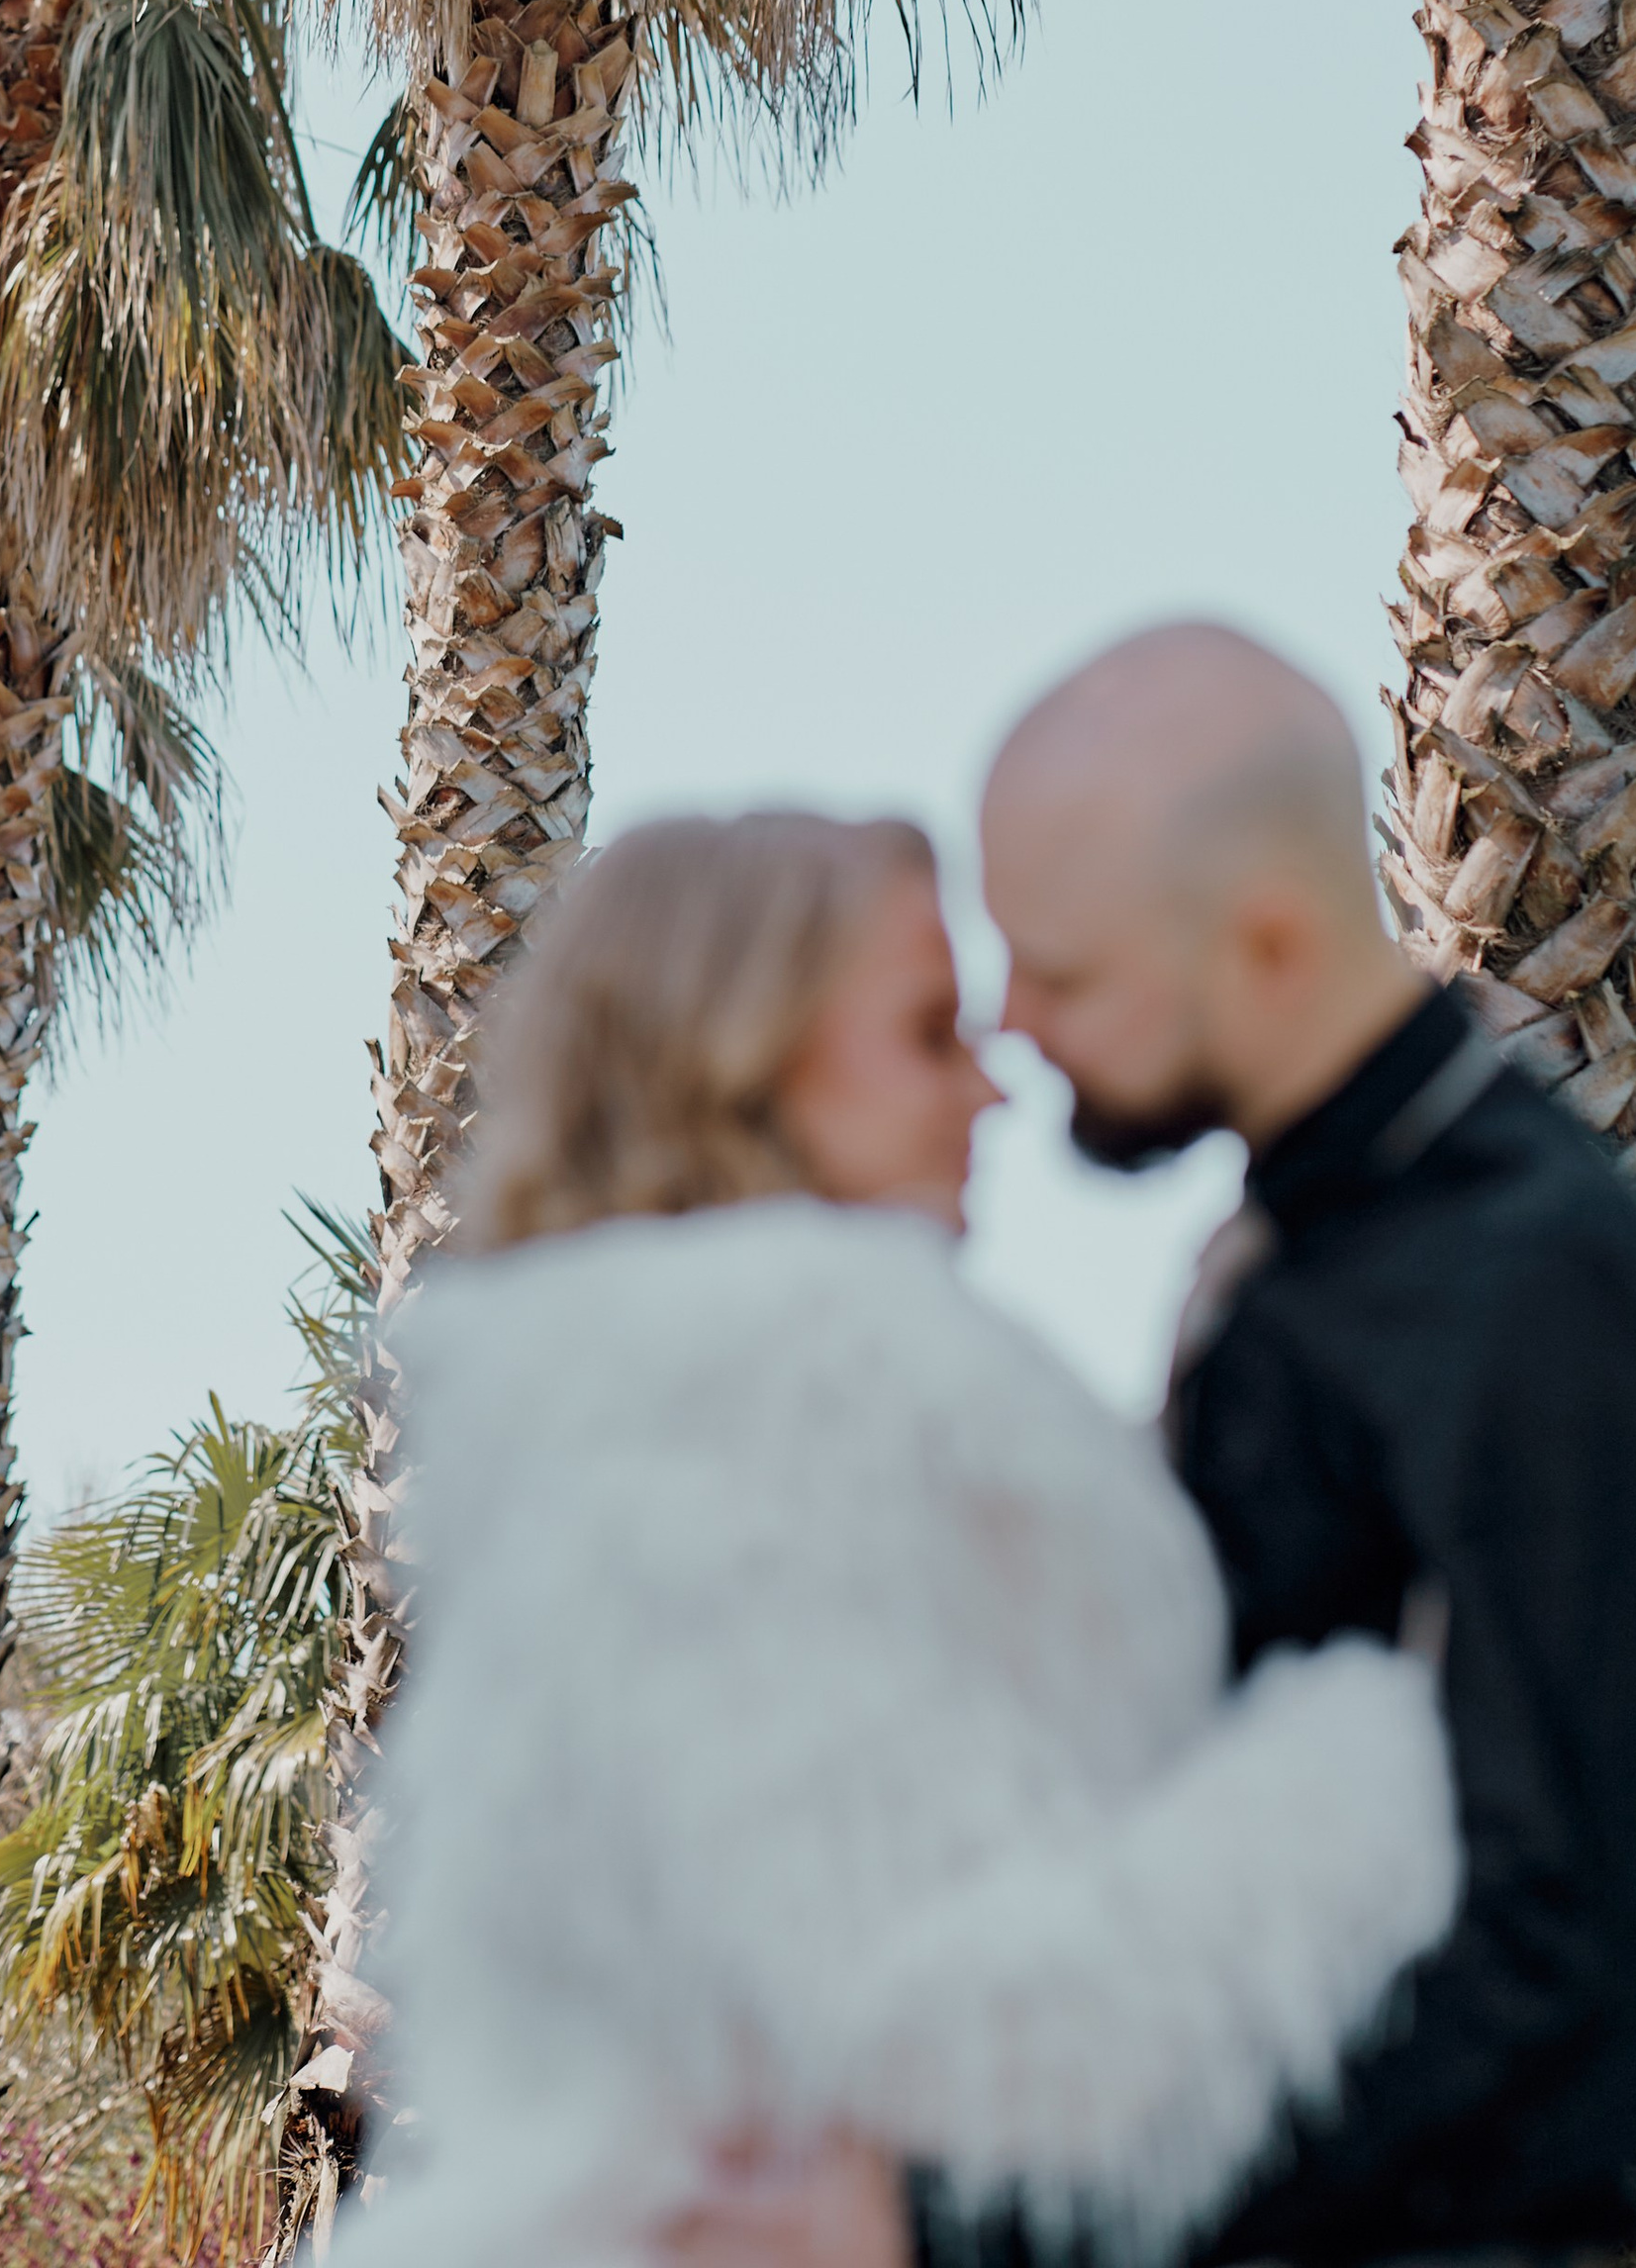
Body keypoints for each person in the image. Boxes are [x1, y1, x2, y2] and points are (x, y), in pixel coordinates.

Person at [676, 623, 1636, 2268]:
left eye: (1067, 971)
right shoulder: (1298, 1247)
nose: (1012, 1026)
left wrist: (959, 2230)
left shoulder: (1546, 1304)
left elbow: (1557, 1992)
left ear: (1264, 938)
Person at [338, 804, 1463, 2268]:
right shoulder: (781, 1438)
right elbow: (974, 2035)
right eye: (930, 1035)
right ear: (735, 1061)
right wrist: (1357, 1775)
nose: (992, 1090)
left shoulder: (638, 1438)